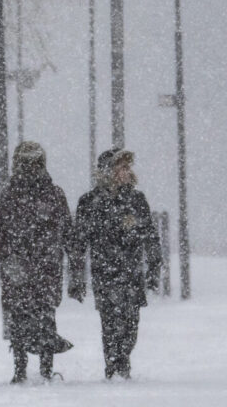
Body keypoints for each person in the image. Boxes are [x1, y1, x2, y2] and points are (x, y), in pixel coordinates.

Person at [68, 148, 163, 380]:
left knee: (131, 324)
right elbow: (79, 242)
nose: (127, 171)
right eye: (122, 167)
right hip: (105, 272)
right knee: (110, 322)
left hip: (131, 273)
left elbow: (150, 236)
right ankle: (115, 367)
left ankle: (123, 359)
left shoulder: (137, 200)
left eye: (128, 167)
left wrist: (153, 268)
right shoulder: (89, 202)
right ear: (109, 171)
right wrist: (77, 277)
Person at [0, 141, 74, 383]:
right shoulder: (12, 194)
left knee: (42, 317)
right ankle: (25, 368)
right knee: (23, 317)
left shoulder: (51, 194)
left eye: (34, 163)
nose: (30, 168)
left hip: (43, 267)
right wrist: (9, 259)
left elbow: (67, 231)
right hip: (25, 267)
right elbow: (2, 233)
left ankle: (41, 369)